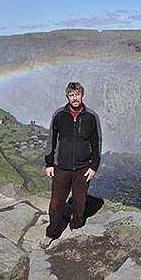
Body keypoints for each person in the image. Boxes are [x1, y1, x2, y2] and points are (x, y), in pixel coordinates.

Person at [40, 82, 102, 248]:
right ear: (67, 97)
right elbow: (51, 140)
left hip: (83, 168)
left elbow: (96, 142)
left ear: (83, 96)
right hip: (61, 167)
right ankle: (51, 233)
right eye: (72, 95)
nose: (75, 98)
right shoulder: (59, 115)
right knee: (56, 203)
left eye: (78, 95)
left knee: (80, 202)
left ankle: (76, 227)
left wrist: (94, 166)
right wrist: (49, 163)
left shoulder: (91, 117)